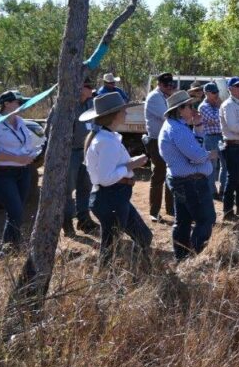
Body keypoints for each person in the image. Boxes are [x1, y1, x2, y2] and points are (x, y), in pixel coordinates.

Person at [81, 92, 152, 264]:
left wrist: (130, 163)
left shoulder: (106, 138)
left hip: (113, 197)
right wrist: (130, 166)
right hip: (111, 197)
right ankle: (110, 282)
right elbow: (106, 178)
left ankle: (138, 273)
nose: (126, 113)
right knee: (111, 248)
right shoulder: (106, 141)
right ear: (113, 115)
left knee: (142, 237)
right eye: (122, 110)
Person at [159, 90, 218, 261]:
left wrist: (198, 126)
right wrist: (210, 154)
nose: (193, 109)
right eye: (189, 106)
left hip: (182, 180)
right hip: (190, 183)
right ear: (179, 109)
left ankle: (182, 258)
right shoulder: (177, 129)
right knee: (206, 220)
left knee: (183, 221)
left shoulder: (176, 126)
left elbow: (195, 147)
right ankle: (194, 257)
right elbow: (197, 156)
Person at [49, 77, 100, 237]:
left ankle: (84, 220)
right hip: (69, 154)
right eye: (88, 86)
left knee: (85, 188)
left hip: (87, 152)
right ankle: (67, 222)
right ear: (79, 87)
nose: (91, 89)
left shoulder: (91, 104)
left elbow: (97, 124)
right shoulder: (64, 106)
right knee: (67, 190)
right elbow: (50, 130)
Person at [0, 91, 38, 248]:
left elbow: (26, 144)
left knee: (15, 212)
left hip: (23, 172)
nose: (21, 105)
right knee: (16, 211)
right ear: (7, 104)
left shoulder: (20, 121)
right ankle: (10, 247)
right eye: (18, 102)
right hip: (2, 174)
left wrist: (31, 154)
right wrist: (17, 159)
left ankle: (11, 247)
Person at [144, 72, 176, 220]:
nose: (170, 87)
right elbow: (167, 116)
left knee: (170, 173)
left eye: (171, 85)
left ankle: (171, 209)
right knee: (159, 175)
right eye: (167, 85)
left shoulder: (164, 96)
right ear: (160, 84)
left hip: (166, 140)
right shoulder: (155, 97)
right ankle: (154, 212)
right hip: (156, 140)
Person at [219, 77, 239, 222]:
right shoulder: (228, 105)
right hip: (233, 145)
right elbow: (233, 126)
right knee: (232, 179)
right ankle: (227, 210)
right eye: (237, 86)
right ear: (230, 89)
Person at [197, 82, 226, 199]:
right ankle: (212, 191)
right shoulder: (203, 107)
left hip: (221, 136)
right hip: (211, 137)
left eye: (217, 92)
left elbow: (222, 119)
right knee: (211, 166)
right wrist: (220, 108)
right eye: (214, 93)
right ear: (206, 94)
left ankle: (223, 190)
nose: (216, 95)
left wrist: (219, 110)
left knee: (225, 164)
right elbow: (215, 119)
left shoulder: (216, 105)